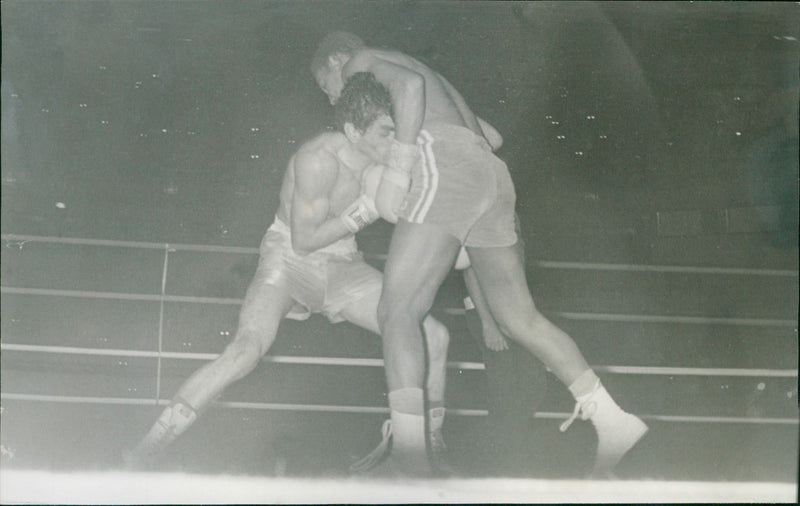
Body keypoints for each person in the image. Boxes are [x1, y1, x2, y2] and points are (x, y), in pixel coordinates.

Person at [311, 31, 647, 478]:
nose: (334, 95)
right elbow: (490, 135)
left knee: (396, 310)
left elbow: (408, 92)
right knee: (518, 319)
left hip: (447, 168)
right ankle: (613, 419)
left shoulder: (363, 61)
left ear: (336, 59)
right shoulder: (426, 71)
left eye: (326, 84)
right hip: (490, 175)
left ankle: (409, 459)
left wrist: (399, 166)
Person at [123, 73, 451, 470]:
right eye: (384, 133)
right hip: (291, 259)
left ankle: (426, 451)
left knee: (433, 336)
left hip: (344, 264)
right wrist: (364, 210)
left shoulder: (388, 164)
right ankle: (147, 449)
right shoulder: (316, 160)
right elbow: (304, 240)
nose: (395, 142)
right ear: (352, 130)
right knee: (244, 351)